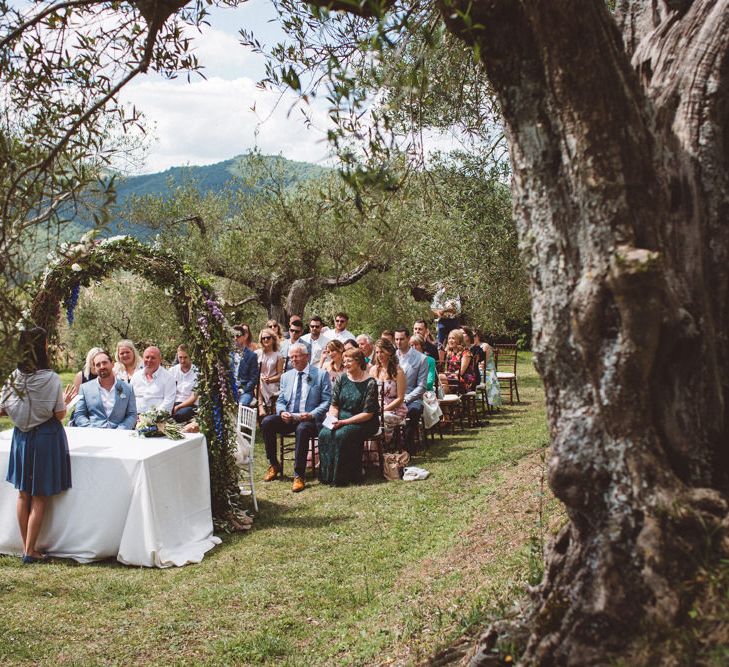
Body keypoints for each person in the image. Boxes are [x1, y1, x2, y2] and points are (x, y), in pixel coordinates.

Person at [0, 327, 76, 563]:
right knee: (39, 495)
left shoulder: (13, 377)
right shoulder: (51, 378)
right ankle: (29, 551)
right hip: (45, 437)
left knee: (23, 494)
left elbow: (2, 407)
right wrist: (67, 400)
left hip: (21, 437)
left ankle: (27, 548)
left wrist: (20, 414)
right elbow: (60, 414)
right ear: (42, 347)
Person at [261, 344, 332, 492]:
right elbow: (280, 400)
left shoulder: (320, 374)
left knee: (302, 428)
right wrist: (282, 413)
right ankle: (274, 464)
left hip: (310, 420)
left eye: (297, 356)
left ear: (306, 357)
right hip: (290, 417)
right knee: (267, 422)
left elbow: (326, 401)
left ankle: (299, 475)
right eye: (291, 356)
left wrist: (312, 414)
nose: (294, 359)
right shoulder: (287, 376)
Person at [318, 348, 379, 485]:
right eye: (344, 361)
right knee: (324, 434)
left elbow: (368, 413)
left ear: (358, 362)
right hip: (341, 418)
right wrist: (333, 419)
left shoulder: (370, 382)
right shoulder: (342, 378)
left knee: (342, 435)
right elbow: (334, 405)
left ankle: (344, 477)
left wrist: (344, 422)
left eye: (349, 361)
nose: (345, 364)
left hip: (363, 421)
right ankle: (327, 476)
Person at [72, 350, 137, 429]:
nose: (102, 366)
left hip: (120, 435)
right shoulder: (85, 388)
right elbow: (79, 415)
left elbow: (132, 414)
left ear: (112, 364)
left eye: (104, 363)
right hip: (94, 434)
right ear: (95, 368)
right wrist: (91, 429)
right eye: (98, 365)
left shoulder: (127, 388)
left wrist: (121, 430)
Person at [394, 328, 428, 453]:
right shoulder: (392, 356)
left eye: (401, 339)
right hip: (392, 396)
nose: (398, 342)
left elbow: (421, 386)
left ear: (408, 339)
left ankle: (407, 445)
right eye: (396, 339)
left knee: (414, 410)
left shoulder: (421, 359)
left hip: (411, 396)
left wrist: (405, 399)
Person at [369, 338, 407, 442]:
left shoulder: (398, 372)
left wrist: (384, 409)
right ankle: (369, 450)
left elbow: (400, 398)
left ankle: (384, 446)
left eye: (382, 351)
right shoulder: (373, 370)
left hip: (395, 409)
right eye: (377, 352)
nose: (379, 355)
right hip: (377, 405)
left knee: (381, 418)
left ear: (389, 352)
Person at [130, 346, 176, 414]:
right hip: (135, 416)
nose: (149, 360)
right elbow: (130, 398)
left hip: (157, 419)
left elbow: (168, 402)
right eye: (147, 357)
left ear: (160, 360)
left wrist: (150, 417)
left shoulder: (168, 378)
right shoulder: (136, 376)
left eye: (153, 358)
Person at [439, 329, 477, 393]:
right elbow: (446, 369)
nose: (450, 340)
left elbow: (461, 372)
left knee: (439, 377)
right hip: (451, 379)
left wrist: (445, 375)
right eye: (449, 338)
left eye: (453, 338)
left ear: (459, 340)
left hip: (464, 380)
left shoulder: (466, 353)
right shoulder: (449, 353)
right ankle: (448, 402)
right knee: (443, 386)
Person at [257, 328, 284, 416]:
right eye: (263, 338)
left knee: (260, 381)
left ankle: (263, 406)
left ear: (273, 339)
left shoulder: (278, 355)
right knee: (258, 380)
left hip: (272, 383)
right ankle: (261, 405)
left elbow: (280, 375)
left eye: (268, 337)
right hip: (259, 383)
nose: (266, 340)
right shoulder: (257, 353)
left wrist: (270, 379)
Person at [169, 344, 199, 423]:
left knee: (180, 415)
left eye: (185, 357)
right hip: (174, 403)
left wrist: (179, 407)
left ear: (190, 357)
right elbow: (168, 391)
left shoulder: (197, 372)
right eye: (180, 357)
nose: (182, 361)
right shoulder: (173, 371)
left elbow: (194, 397)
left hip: (189, 405)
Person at [474, 330, 502, 408]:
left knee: (479, 375)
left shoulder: (484, 345)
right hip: (478, 368)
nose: (473, 337)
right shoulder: (472, 346)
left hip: (488, 369)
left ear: (478, 336)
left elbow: (483, 363)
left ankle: (489, 401)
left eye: (474, 336)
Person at [236, 336, 260, 408]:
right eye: (232, 336)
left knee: (242, 405)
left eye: (237, 336)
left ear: (243, 337)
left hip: (245, 390)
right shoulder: (229, 355)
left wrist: (243, 390)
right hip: (231, 390)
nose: (235, 338)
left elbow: (254, 378)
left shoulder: (251, 355)